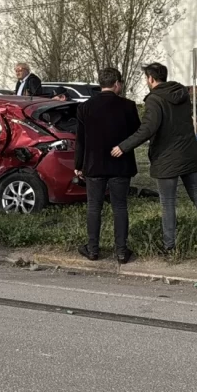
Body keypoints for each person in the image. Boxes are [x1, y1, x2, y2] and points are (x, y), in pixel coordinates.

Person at [113, 63, 197, 255]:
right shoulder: (182, 94)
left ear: (151, 79)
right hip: (188, 153)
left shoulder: (154, 100)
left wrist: (123, 146)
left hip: (166, 157)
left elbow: (148, 129)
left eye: (146, 78)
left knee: (168, 202)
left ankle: (169, 245)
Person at [75, 68, 141, 264]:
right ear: (117, 84)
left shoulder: (85, 107)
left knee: (94, 207)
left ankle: (93, 249)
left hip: (94, 164)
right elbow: (137, 133)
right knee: (120, 207)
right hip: (120, 163)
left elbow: (80, 140)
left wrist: (78, 164)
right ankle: (121, 251)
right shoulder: (128, 106)